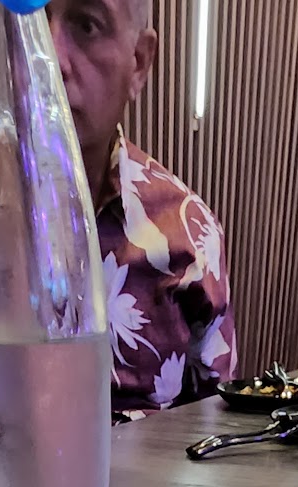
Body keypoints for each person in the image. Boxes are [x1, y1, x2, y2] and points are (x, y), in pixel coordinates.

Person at [47, 0, 235, 410]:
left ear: (139, 63)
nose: (49, 57)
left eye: (87, 25)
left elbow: (218, 424)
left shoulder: (187, 235)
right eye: (30, 21)